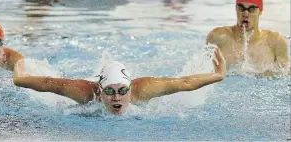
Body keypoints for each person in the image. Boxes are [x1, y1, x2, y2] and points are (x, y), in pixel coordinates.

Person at [13, 48, 226, 115]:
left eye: (122, 91)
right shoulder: (85, 92)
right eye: (110, 91)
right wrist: (20, 77)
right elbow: (49, 83)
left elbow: (185, 83)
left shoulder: (144, 90)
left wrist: (218, 74)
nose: (116, 98)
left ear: (131, 88)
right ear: (100, 90)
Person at [206, 0, 289, 75]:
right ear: (236, 8)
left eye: (251, 9)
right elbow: (203, 71)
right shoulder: (218, 38)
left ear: (260, 11)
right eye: (241, 8)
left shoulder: (275, 42)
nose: (245, 14)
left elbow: (285, 77)